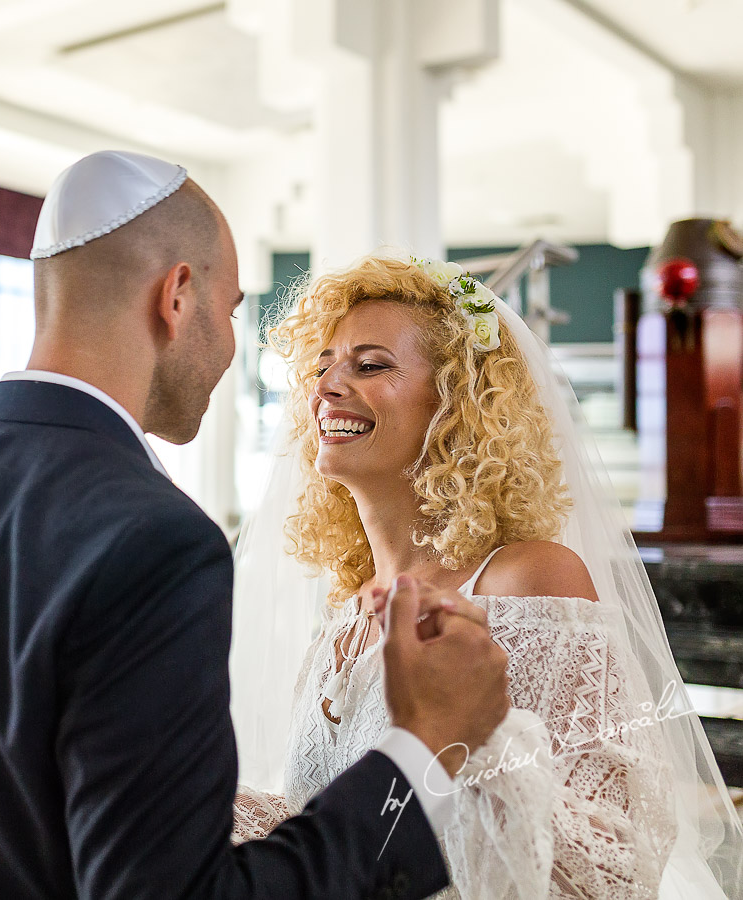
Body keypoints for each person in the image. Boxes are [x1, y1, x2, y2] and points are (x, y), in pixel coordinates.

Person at [0, 149, 512, 899]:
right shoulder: (154, 539)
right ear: (177, 296)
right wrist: (421, 749)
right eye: (232, 312)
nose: (234, 348)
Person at [229, 254, 743, 898]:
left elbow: (611, 860)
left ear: (457, 403)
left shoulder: (527, 580)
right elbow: (338, 827)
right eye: (322, 365)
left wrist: (475, 737)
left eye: (371, 364)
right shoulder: (349, 611)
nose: (327, 386)